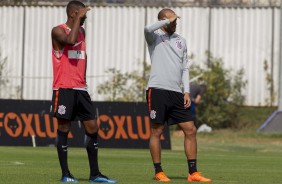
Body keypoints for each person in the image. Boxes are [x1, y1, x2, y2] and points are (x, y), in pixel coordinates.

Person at [51, 1, 117, 183]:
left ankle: (95, 174)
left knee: (92, 127)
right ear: (73, 13)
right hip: (64, 88)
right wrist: (79, 17)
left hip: (81, 88)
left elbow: (82, 56)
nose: (85, 17)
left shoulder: (82, 32)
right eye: (82, 14)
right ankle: (65, 174)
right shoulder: (57, 31)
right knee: (64, 128)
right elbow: (70, 41)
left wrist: (84, 78)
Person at [144, 8, 212, 182]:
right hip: (157, 90)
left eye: (175, 20)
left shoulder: (181, 40)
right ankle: (158, 172)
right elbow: (147, 28)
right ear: (163, 21)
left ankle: (193, 173)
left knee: (190, 130)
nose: (175, 23)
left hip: (176, 93)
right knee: (157, 131)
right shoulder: (155, 37)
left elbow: (185, 68)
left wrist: (186, 91)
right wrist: (166, 21)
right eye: (171, 20)